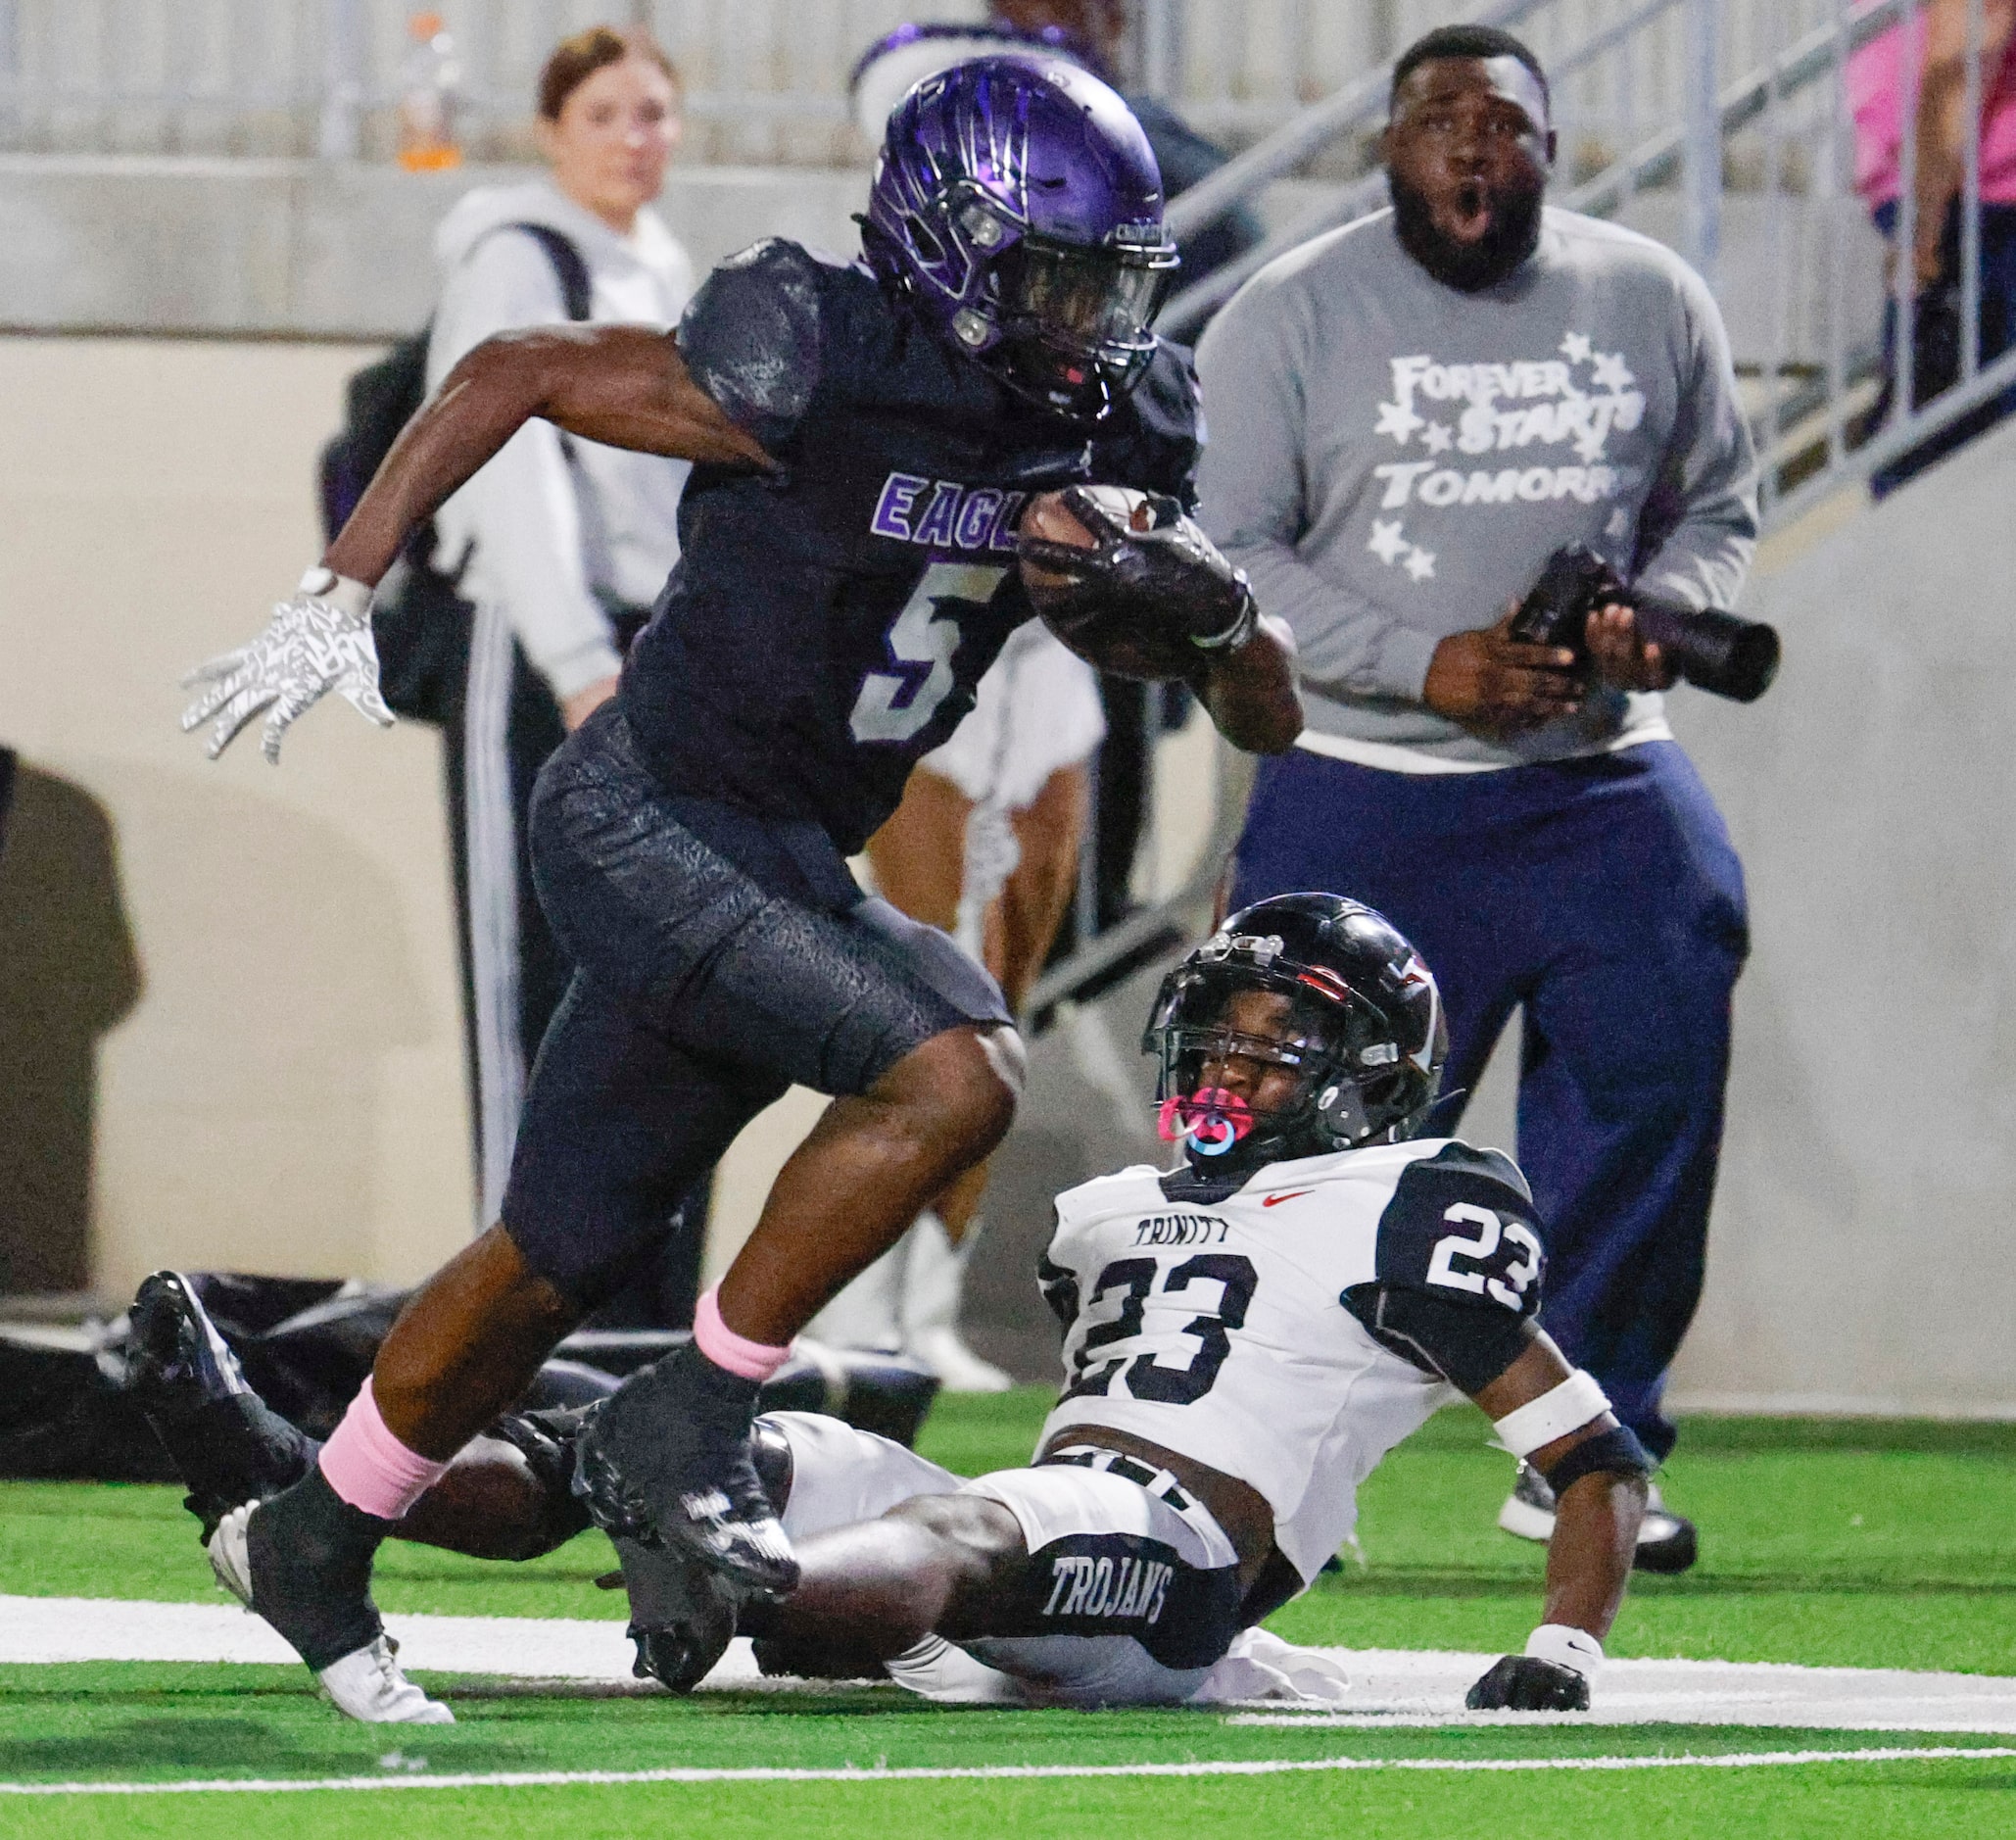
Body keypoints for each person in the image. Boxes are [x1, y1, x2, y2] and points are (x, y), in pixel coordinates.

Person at [177, 54, 1300, 1724]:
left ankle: (314, 1530)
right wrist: (345, 582)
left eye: (1104, 284)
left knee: (549, 1255)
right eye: (1051, 276)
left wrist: (1211, 616)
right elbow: (518, 364)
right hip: (647, 808)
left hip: (774, 847)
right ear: (941, 242)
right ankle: (691, 1408)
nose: (1084, 321)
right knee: (952, 1066)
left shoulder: (1113, 418)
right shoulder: (821, 344)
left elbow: (1264, 704)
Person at [133, 896, 1649, 1715]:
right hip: (1048, 1510)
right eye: (1212, 1043)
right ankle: (281, 1473)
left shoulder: (1412, 1201)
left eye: (1273, 1049)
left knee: (959, 1536)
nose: (1222, 1077)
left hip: (1178, 1572)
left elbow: (1590, 1460)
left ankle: (747, 1587)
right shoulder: (1113, 1212)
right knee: (677, 1442)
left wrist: (1563, 1646)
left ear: (1371, 1070)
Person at [1195, 24, 1759, 1573]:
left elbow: (1716, 502)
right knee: (1308, 1148)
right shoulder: (1289, 312)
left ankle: (1585, 1439)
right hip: (1361, 783)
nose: (1468, 144)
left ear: (1548, 149)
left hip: (1598, 777)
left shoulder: (1648, 296)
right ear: (1388, 151)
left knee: (1658, 1048)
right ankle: (1234, 1446)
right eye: (1435, 119)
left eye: (1500, 122)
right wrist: (1413, 663)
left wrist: (1659, 608)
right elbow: (1226, 542)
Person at [426, 26, 696, 1235]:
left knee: (646, 986)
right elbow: (505, 468)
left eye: (652, 113)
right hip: (543, 646)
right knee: (531, 970)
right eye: (603, 115)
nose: (634, 138)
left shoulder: (662, 263)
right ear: (550, 133)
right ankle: (505, 1306)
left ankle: (619, 1308)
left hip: (651, 646)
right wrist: (577, 661)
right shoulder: (518, 255)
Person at [1849, 0, 2016, 495]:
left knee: (1924, 455)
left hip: (1974, 206)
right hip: (1965, 199)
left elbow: (1968, 36)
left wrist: (1924, 218)